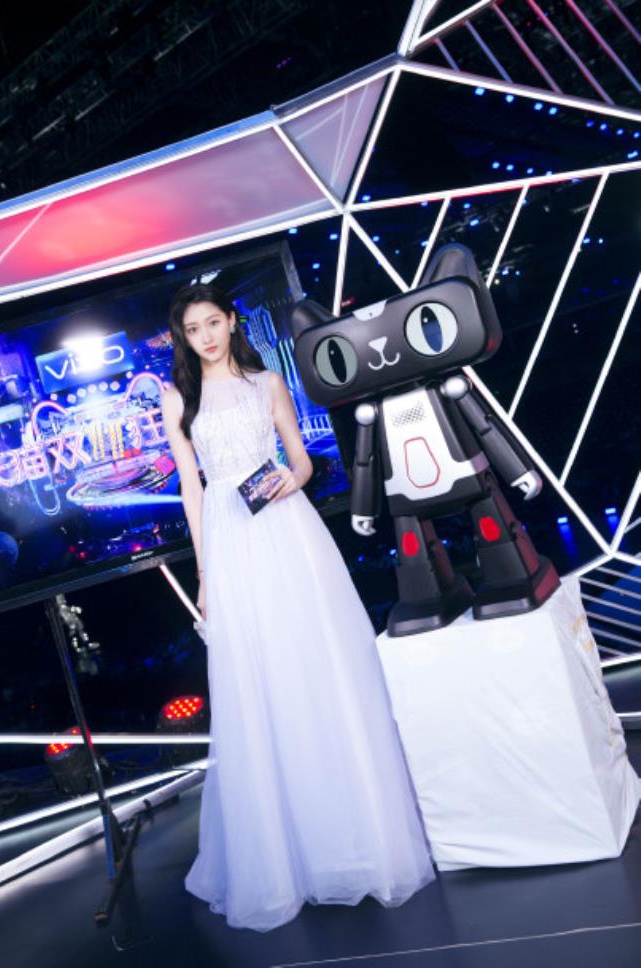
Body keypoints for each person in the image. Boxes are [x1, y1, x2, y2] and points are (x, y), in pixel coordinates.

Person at [160, 282, 434, 932]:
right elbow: (192, 491)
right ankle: (283, 854)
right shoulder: (177, 399)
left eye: (212, 323)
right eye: (193, 329)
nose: (205, 337)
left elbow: (305, 462)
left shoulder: (267, 382)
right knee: (256, 682)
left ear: (232, 321)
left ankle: (353, 839)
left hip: (286, 527)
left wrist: (291, 476)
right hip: (230, 539)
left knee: (317, 668)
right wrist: (204, 574)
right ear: (184, 337)